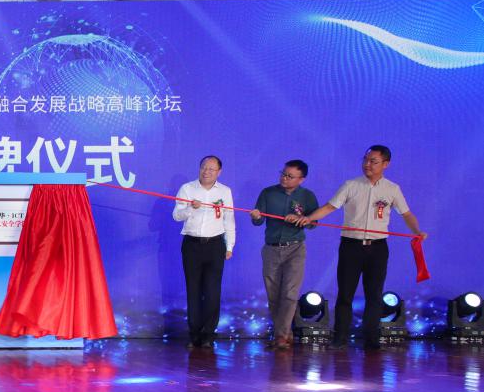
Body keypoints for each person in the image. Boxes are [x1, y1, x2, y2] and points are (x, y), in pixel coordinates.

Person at [297, 145, 428, 350]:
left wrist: (417, 231)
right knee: (345, 294)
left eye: (373, 161)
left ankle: (371, 340)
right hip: (351, 246)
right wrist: (309, 218)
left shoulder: (392, 189)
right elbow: (330, 207)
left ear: (385, 164)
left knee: (374, 295)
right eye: (365, 160)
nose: (367, 164)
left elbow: (406, 214)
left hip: (378, 248)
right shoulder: (351, 185)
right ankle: (340, 338)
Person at [250, 159, 319, 350]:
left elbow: (314, 223)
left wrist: (302, 218)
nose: (284, 178)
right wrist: (256, 217)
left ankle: (280, 336)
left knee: (290, 293)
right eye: (283, 173)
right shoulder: (268, 193)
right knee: (273, 295)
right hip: (271, 249)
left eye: (290, 176)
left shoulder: (307, 196)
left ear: (301, 179)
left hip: (295, 248)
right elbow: (258, 221)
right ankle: (285, 334)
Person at [172, 155, 235, 348]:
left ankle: (208, 335)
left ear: (219, 172)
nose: (206, 172)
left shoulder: (225, 191)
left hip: (215, 245)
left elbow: (229, 219)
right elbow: (176, 216)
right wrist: (191, 208)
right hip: (192, 245)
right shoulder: (187, 188)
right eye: (204, 168)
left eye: (211, 169)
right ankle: (194, 334)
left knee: (212, 291)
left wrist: (229, 246)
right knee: (193, 290)